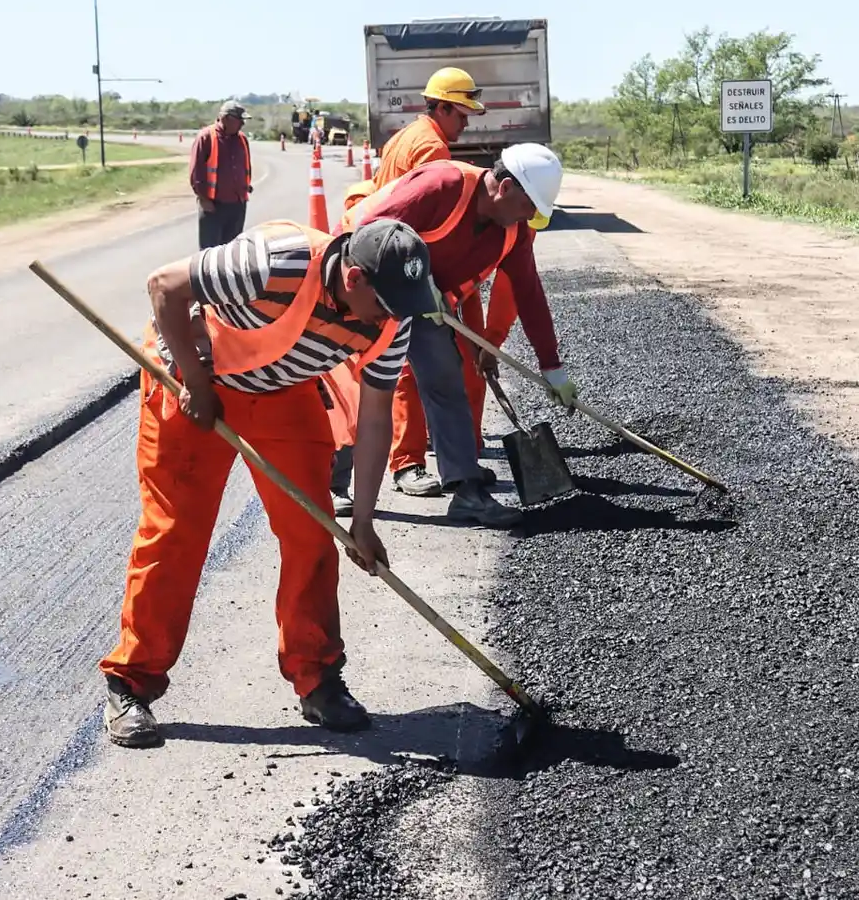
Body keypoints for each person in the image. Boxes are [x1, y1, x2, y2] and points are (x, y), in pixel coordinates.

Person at [98, 215, 438, 749]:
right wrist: (195, 379)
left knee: (313, 532)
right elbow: (163, 285)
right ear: (354, 280)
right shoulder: (275, 262)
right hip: (195, 374)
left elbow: (375, 421)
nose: (391, 318)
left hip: (283, 389)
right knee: (176, 532)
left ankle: (317, 677)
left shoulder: (393, 316)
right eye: (386, 303)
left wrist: (366, 522)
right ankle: (131, 682)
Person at [334, 144, 574, 529]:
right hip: (363, 283)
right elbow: (367, 234)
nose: (532, 216)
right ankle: (335, 483)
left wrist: (552, 365)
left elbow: (528, 292)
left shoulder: (513, 232)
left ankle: (467, 492)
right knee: (353, 386)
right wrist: (413, 278)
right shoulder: (443, 185)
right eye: (531, 205)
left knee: (446, 378)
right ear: (506, 187)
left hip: (423, 302)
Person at [329, 67, 493, 506]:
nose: (466, 123)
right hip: (388, 269)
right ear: (440, 106)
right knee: (398, 369)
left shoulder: (408, 135)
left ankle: (448, 469)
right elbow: (423, 220)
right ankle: (405, 464)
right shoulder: (431, 148)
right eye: (461, 113)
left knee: (413, 368)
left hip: (384, 261)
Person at [189, 100, 253, 249]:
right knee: (210, 253)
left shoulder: (242, 139)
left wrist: (245, 187)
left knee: (232, 252)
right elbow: (196, 173)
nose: (242, 124)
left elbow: (245, 167)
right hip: (213, 206)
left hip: (237, 205)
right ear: (226, 118)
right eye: (240, 120)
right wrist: (204, 199)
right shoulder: (206, 137)